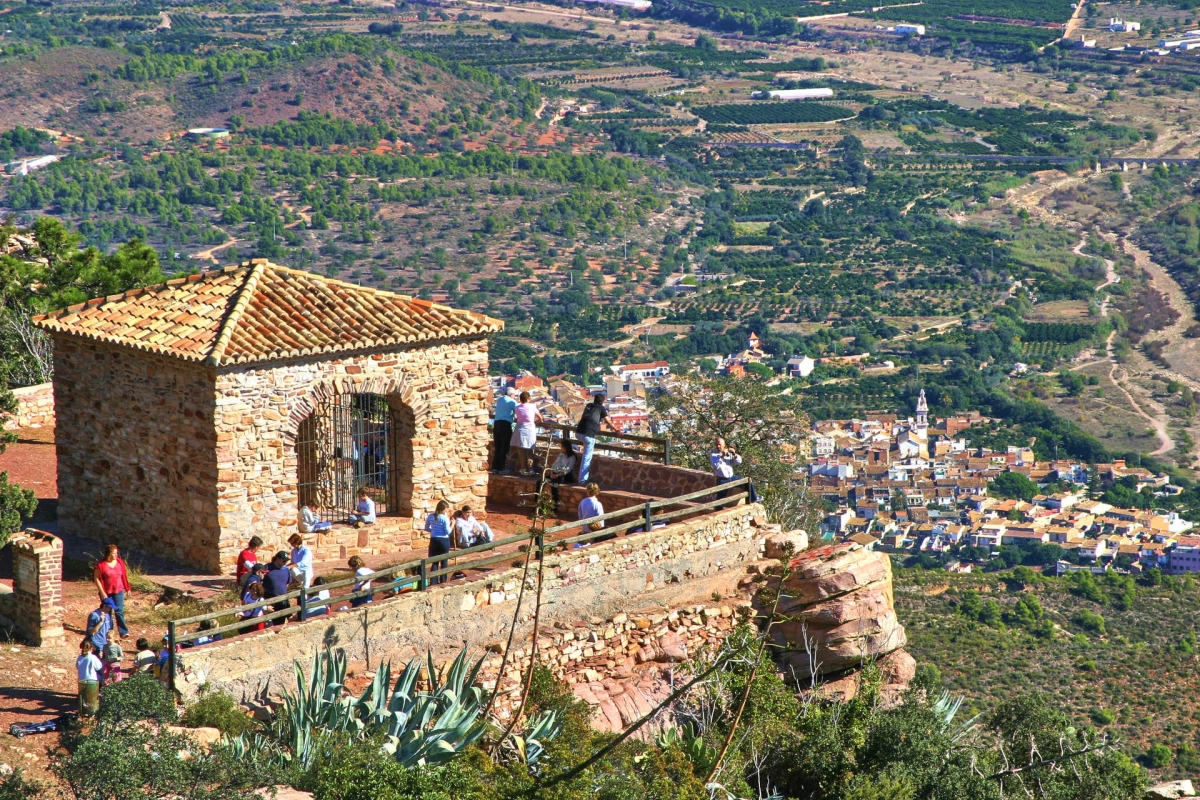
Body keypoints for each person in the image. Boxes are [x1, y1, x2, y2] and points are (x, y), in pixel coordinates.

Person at [574, 393, 618, 485]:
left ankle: (580, 477)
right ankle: (582, 480)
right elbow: (608, 421)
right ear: (602, 401)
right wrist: (617, 430)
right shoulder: (601, 408)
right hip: (588, 435)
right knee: (586, 458)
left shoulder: (589, 405)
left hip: (578, 433)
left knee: (584, 454)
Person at [93, 543, 131, 638]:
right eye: (114, 553)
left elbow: (124, 576)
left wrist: (127, 588)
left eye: (116, 553)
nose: (116, 555)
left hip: (118, 590)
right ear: (108, 554)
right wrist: (102, 592)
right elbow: (96, 578)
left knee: (119, 611)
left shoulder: (119, 562)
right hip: (107, 592)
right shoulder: (101, 565)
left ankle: (123, 632)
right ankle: (109, 632)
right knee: (108, 612)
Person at [511, 391, 544, 476]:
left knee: (521, 451)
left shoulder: (517, 407)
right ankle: (531, 469)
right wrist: (536, 422)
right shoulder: (532, 406)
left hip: (519, 429)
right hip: (529, 430)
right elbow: (540, 418)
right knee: (530, 450)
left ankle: (524, 469)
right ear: (528, 399)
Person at [542, 439, 578, 508]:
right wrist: (551, 472)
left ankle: (554, 505)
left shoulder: (572, 457)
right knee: (540, 481)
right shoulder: (561, 454)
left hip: (563, 475)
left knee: (554, 485)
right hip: (554, 472)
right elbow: (555, 464)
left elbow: (568, 469)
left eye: (562, 446)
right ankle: (537, 501)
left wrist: (557, 475)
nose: (561, 448)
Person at [424, 500, 453, 584]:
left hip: (434, 540)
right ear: (443, 509)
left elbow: (426, 528)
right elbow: (448, 531)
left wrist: (433, 531)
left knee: (434, 561)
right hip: (444, 540)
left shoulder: (430, 516)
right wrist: (453, 524)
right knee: (444, 561)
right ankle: (443, 581)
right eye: (446, 509)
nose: (447, 511)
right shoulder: (444, 518)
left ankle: (433, 581)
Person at [492, 387, 519, 473]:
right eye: (514, 395)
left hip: (496, 424)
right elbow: (518, 411)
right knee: (504, 447)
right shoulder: (512, 402)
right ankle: (501, 468)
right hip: (505, 424)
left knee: (497, 446)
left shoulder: (499, 400)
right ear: (511, 394)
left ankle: (495, 467)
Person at [262, 551, 293, 623]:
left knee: (281, 621)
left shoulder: (286, 569)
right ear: (277, 559)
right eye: (283, 561)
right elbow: (260, 583)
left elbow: (287, 583)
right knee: (270, 623)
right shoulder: (267, 568)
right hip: (270, 599)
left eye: (286, 561)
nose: (285, 562)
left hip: (283, 599)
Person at [76, 640, 103, 716]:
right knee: (92, 697)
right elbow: (99, 667)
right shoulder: (92, 657)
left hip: (81, 680)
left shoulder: (80, 657)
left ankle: (83, 711)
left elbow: (77, 666)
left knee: (83, 696)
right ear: (91, 648)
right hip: (92, 681)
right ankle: (93, 711)